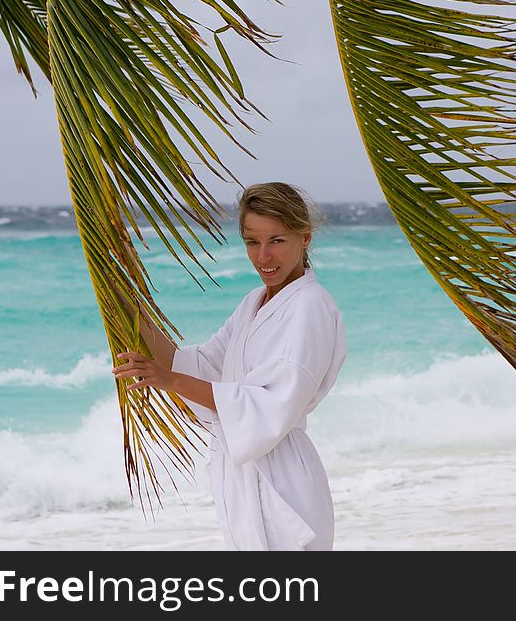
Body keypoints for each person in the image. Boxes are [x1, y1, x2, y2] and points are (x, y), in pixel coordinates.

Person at [111, 182, 347, 550]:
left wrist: (169, 381)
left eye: (277, 241)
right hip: (244, 479)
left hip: (283, 482)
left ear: (305, 237)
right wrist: (126, 300)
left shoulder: (309, 306)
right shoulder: (255, 302)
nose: (264, 256)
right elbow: (199, 366)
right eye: (252, 242)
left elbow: (270, 404)